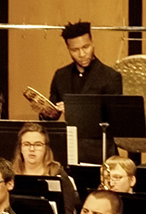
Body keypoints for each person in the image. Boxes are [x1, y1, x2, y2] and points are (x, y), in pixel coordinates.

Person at [44, 21, 122, 163]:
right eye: (75, 50)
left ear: (92, 43)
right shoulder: (61, 75)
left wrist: (73, 110)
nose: (81, 54)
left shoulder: (110, 77)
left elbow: (113, 120)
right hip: (68, 149)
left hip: (100, 151)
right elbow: (52, 116)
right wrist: (45, 111)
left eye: (85, 47)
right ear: (68, 49)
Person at [11, 122, 79, 214]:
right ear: (20, 148)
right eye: (27, 144)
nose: (32, 149)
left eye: (38, 145)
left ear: (46, 149)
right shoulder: (11, 174)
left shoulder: (58, 174)